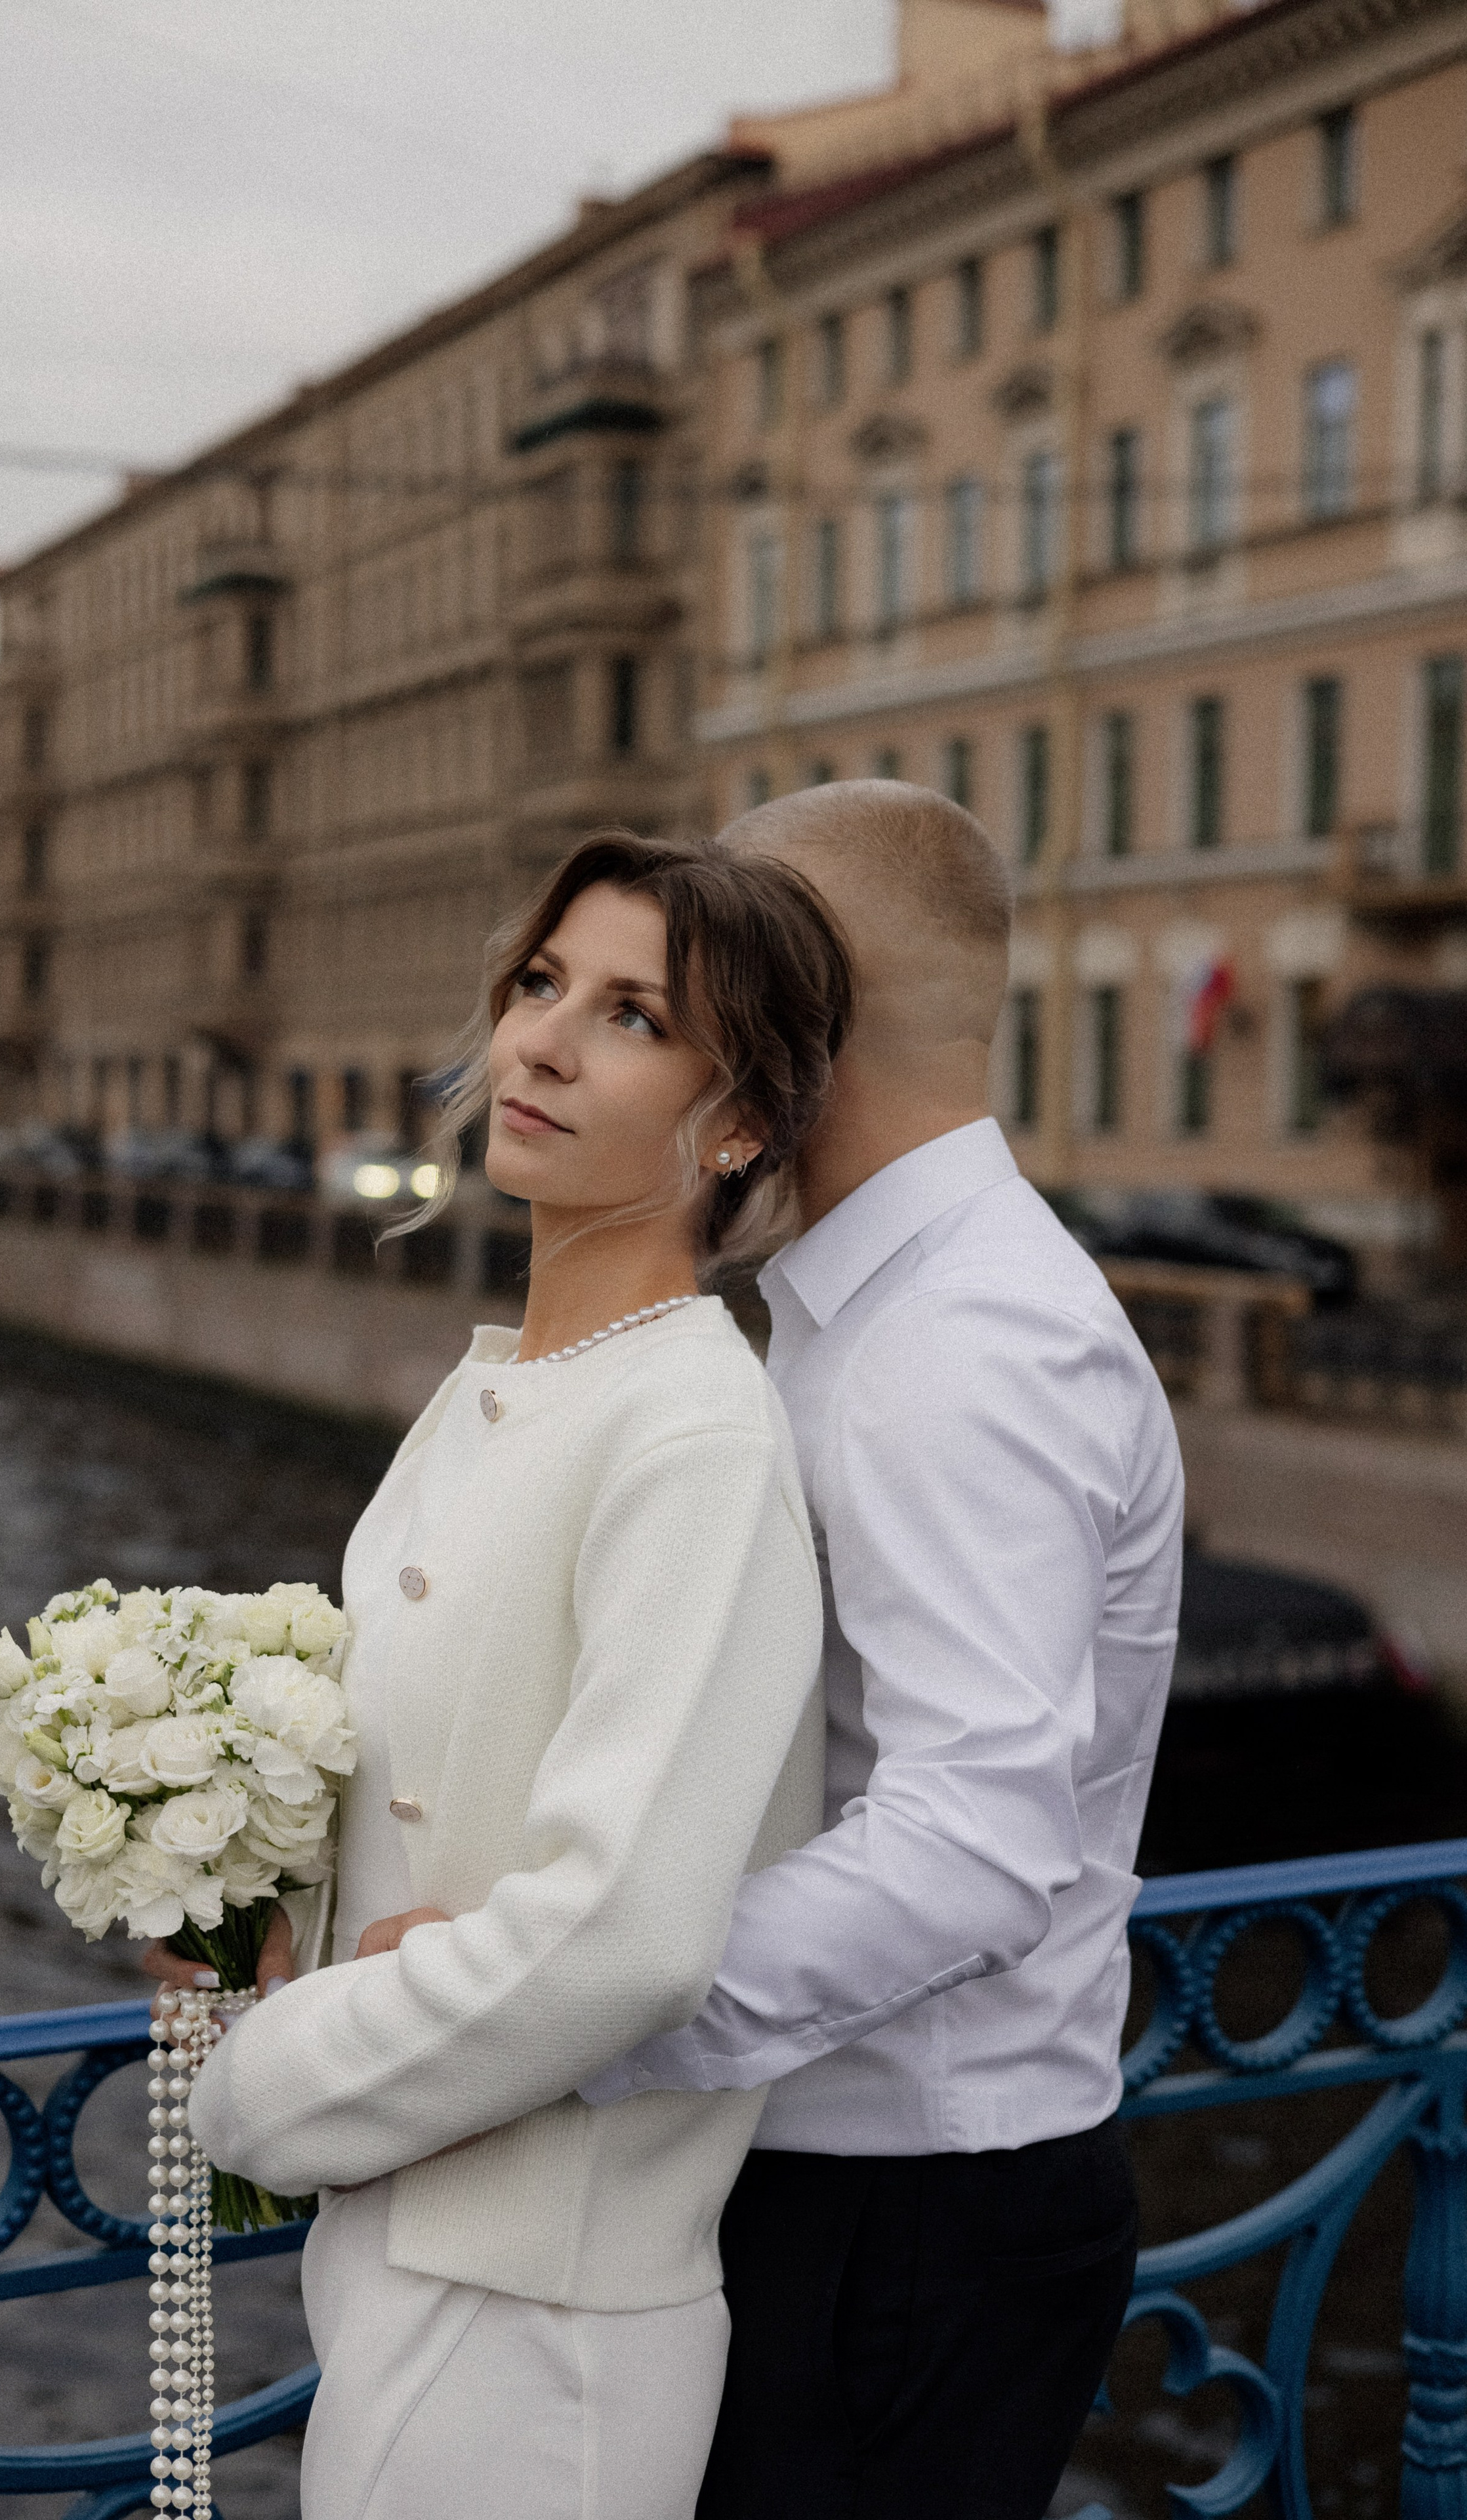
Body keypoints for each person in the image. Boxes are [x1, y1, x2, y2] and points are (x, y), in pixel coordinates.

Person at [165, 831, 853, 2520]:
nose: (538, 1042)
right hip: (420, 2250)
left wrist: (255, 2080)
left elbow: (620, 1935)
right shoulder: (514, 1390)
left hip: (541, 2316)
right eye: (542, 984)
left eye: (629, 1017)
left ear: (741, 1120)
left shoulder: (688, 1432)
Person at [584, 780, 1185, 2520]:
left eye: (682, 996)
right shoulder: (889, 1308)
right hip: (884, 2190)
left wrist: (548, 2021)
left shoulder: (960, 1346)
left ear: (799, 1003)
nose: (665, 1042)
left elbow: (973, 1847)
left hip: (901, 2209)